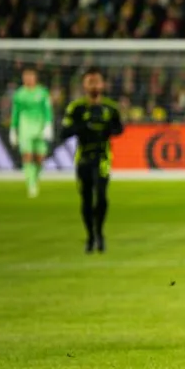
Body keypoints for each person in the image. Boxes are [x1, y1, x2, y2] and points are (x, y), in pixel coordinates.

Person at [59, 69, 124, 253]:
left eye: (97, 82)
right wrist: (82, 126)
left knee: (102, 196)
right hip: (83, 158)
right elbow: (63, 133)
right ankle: (90, 236)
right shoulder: (76, 108)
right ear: (84, 85)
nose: (94, 85)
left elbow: (119, 129)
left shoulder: (110, 108)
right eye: (90, 82)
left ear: (103, 85)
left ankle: (100, 232)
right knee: (86, 199)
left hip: (103, 157)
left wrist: (107, 129)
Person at [9, 66, 54, 198]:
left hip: (39, 127)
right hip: (25, 127)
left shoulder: (43, 92)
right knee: (27, 155)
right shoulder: (19, 94)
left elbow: (47, 109)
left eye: (30, 76)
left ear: (35, 78)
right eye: (25, 77)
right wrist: (13, 129)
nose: (28, 79)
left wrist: (48, 125)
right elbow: (15, 112)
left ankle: (35, 178)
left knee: (40, 158)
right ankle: (31, 184)